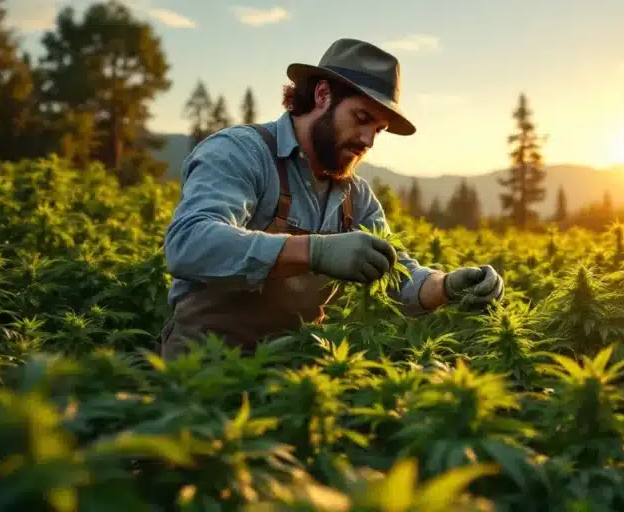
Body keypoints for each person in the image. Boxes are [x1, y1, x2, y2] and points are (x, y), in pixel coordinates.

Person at [158, 38, 504, 359]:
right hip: (205, 368)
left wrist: (447, 285)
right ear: (322, 95)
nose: (368, 140)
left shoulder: (357, 197)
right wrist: (316, 251)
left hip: (298, 376)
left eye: (378, 130)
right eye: (362, 118)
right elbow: (190, 243)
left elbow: (399, 279)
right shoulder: (241, 152)